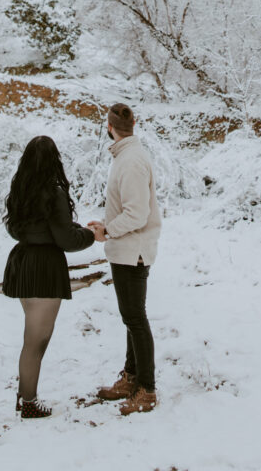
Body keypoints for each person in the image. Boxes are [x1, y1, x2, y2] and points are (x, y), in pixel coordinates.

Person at [3, 135, 95, 419]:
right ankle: (28, 402)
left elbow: (18, 229)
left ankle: (25, 395)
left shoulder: (21, 188)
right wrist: (92, 235)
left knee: (32, 336)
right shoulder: (53, 192)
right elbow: (66, 239)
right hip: (44, 268)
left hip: (23, 261)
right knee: (36, 340)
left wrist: (70, 229)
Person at [88, 102, 161, 415]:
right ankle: (132, 378)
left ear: (109, 127)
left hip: (133, 251)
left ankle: (146, 388)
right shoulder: (127, 156)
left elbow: (137, 213)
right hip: (128, 250)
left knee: (135, 319)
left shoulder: (130, 161)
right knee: (131, 318)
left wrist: (108, 231)